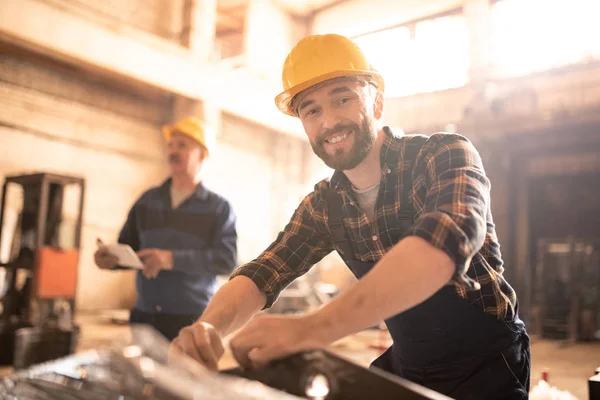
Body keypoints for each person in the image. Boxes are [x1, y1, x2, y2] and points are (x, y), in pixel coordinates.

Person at [172, 34, 530, 399]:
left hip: (488, 365)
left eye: (342, 98)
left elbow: (440, 248)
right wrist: (207, 328)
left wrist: (310, 329)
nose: (329, 121)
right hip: (411, 363)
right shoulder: (326, 205)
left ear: (376, 102)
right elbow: (264, 271)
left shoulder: (443, 155)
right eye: (311, 110)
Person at [94, 116, 237, 341]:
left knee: (184, 377)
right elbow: (128, 248)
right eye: (171, 145)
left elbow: (226, 261)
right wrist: (111, 260)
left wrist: (170, 259)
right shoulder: (146, 201)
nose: (173, 151)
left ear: (202, 155)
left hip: (193, 319)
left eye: (182, 145)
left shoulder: (219, 208)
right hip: (145, 317)